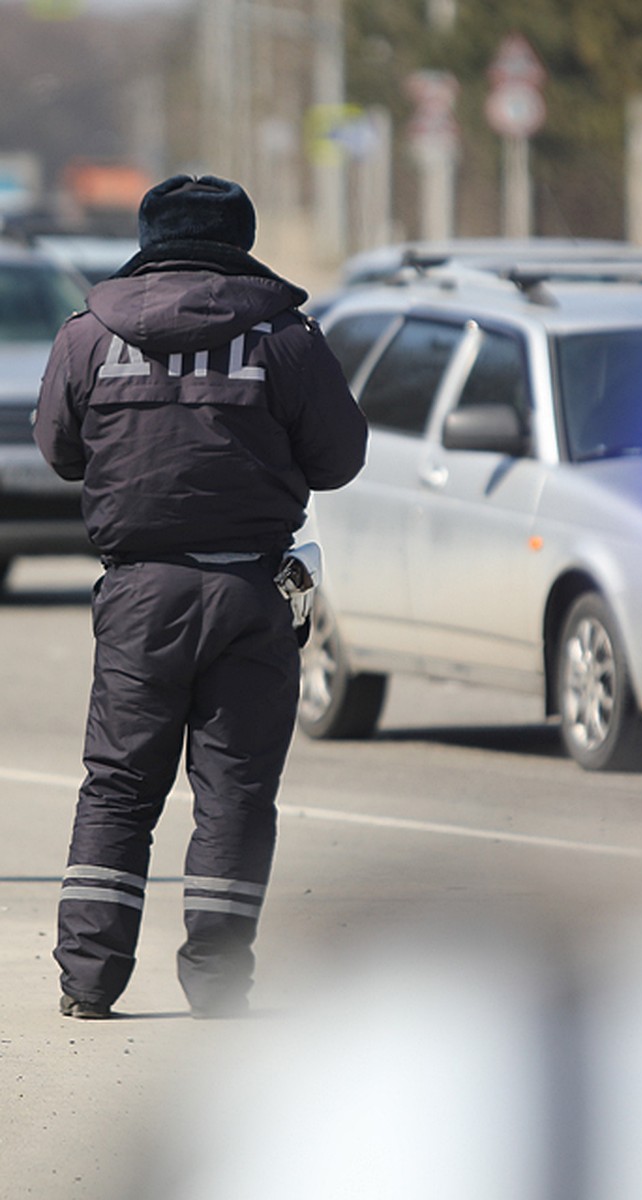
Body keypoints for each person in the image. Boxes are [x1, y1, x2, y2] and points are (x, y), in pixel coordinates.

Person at [34, 174, 368, 1019]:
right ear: (241, 242)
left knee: (117, 788)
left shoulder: (88, 334)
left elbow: (59, 449)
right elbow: (339, 460)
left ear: (149, 239)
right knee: (236, 793)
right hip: (253, 593)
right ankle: (217, 983)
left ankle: (89, 981)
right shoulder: (286, 338)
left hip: (140, 595)